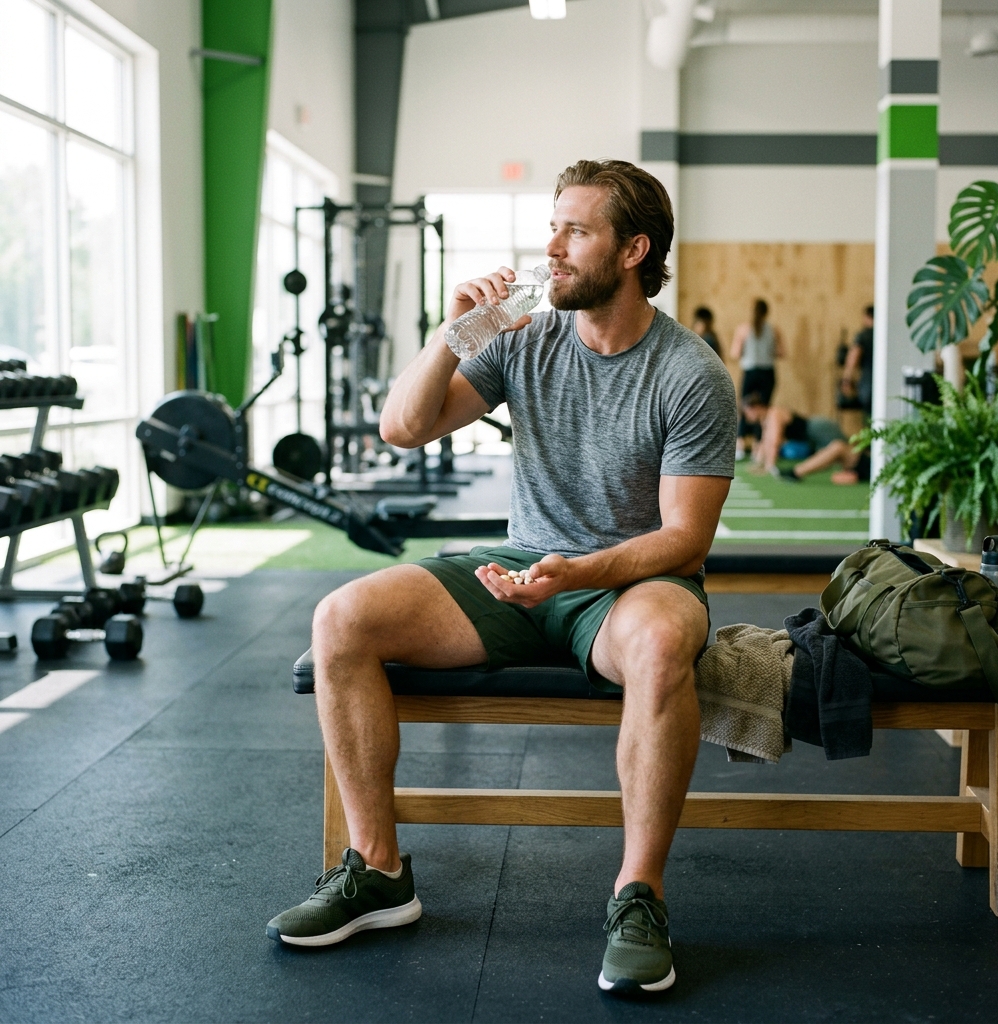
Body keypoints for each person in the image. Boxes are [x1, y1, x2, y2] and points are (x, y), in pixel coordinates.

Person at [266, 159, 737, 996]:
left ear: (633, 251)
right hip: (524, 569)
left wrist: (575, 574)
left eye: (574, 231)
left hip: (627, 584)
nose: (550, 247)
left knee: (665, 642)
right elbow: (402, 428)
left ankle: (639, 897)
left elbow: (684, 540)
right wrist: (453, 333)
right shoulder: (519, 323)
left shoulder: (688, 372)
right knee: (342, 618)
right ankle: (378, 873)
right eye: (553, 225)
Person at [739, 392, 845, 477]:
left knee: (848, 452)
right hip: (811, 436)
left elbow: (775, 441)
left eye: (748, 412)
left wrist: (769, 466)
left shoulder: (774, 414)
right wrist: (760, 464)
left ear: (757, 407)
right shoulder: (764, 420)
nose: (747, 417)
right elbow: (765, 442)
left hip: (819, 429)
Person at [731, 299, 785, 458]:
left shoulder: (743, 329)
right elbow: (781, 352)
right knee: (763, 411)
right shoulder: (774, 330)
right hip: (767, 374)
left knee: (745, 408)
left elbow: (734, 353)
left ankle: (740, 446)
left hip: (750, 372)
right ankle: (757, 448)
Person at [841, 305, 874, 415]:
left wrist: (846, 380)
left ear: (867, 317)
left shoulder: (863, 336)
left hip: (867, 385)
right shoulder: (885, 334)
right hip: (885, 384)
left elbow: (853, 360)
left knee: (869, 423)